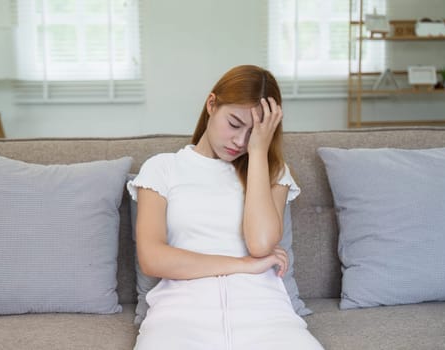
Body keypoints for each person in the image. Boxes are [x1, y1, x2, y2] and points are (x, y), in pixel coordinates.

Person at [127, 65, 323, 350]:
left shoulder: (273, 173)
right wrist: (244, 265)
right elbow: (153, 258)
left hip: (265, 312)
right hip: (179, 316)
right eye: (234, 124)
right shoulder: (162, 168)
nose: (240, 141)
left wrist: (258, 153)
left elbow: (261, 244)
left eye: (253, 133)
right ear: (211, 104)